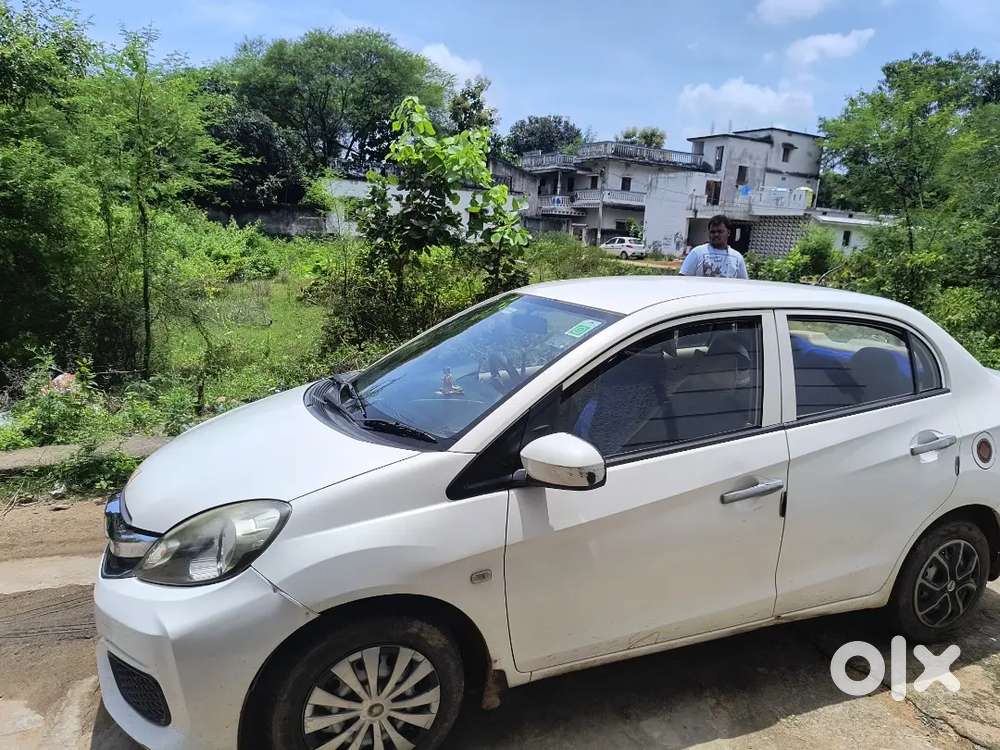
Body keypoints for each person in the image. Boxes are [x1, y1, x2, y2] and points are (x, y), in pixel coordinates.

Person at [679, 215, 748, 279]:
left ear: (728, 233)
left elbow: (743, 284)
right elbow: (682, 279)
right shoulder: (697, 253)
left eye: (720, 231)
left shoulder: (737, 257)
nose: (716, 234)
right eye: (712, 232)